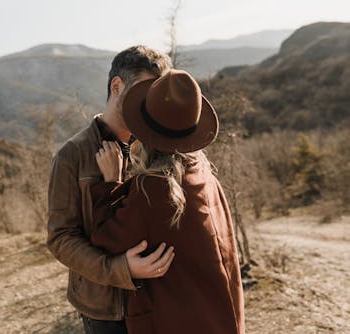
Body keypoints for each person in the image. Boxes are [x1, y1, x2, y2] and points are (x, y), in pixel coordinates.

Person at [89, 69, 245, 334]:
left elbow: (105, 238)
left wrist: (110, 184)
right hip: (221, 319)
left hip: (177, 322)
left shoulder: (154, 189)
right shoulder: (204, 174)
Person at [47, 46, 176, 334]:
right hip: (106, 311)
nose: (148, 104)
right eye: (143, 93)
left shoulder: (155, 148)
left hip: (156, 299)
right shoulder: (72, 155)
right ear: (117, 86)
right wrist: (120, 269)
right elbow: (60, 238)